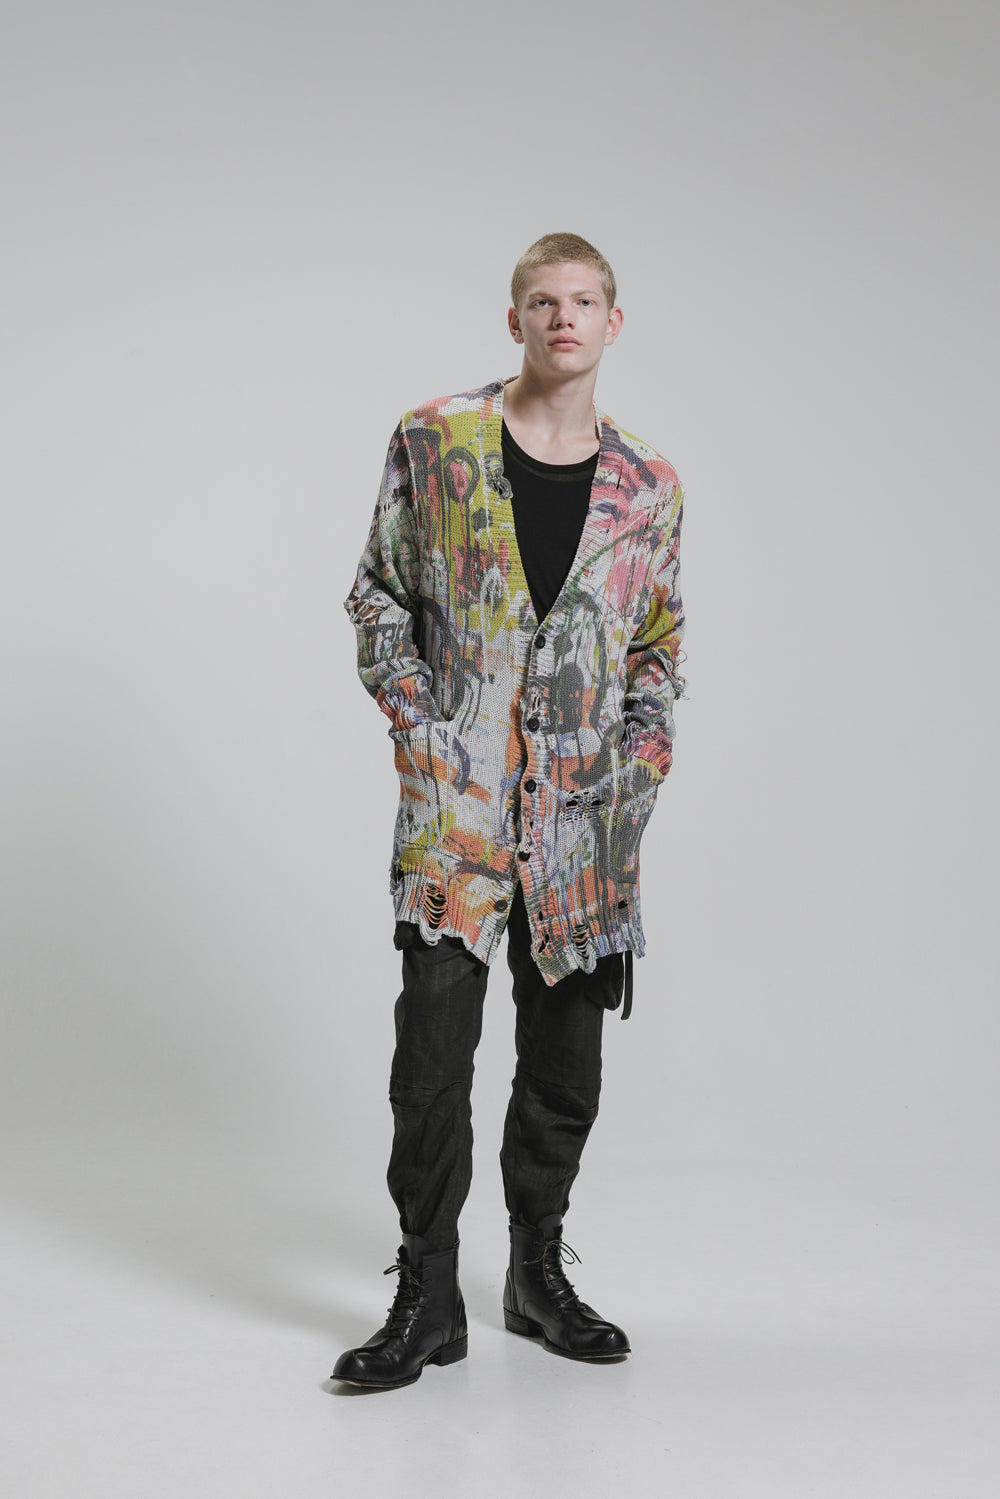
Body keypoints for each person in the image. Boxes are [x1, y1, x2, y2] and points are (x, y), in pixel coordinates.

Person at [334, 232, 686, 1389]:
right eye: (543, 300)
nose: (562, 317)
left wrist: (639, 765)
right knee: (431, 1055)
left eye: (583, 300)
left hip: (587, 826)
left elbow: (656, 646)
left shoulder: (649, 486)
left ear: (612, 322)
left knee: (565, 1063)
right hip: (458, 815)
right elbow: (378, 597)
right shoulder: (435, 439)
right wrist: (421, 732)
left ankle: (536, 1272)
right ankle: (425, 1292)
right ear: (515, 319)